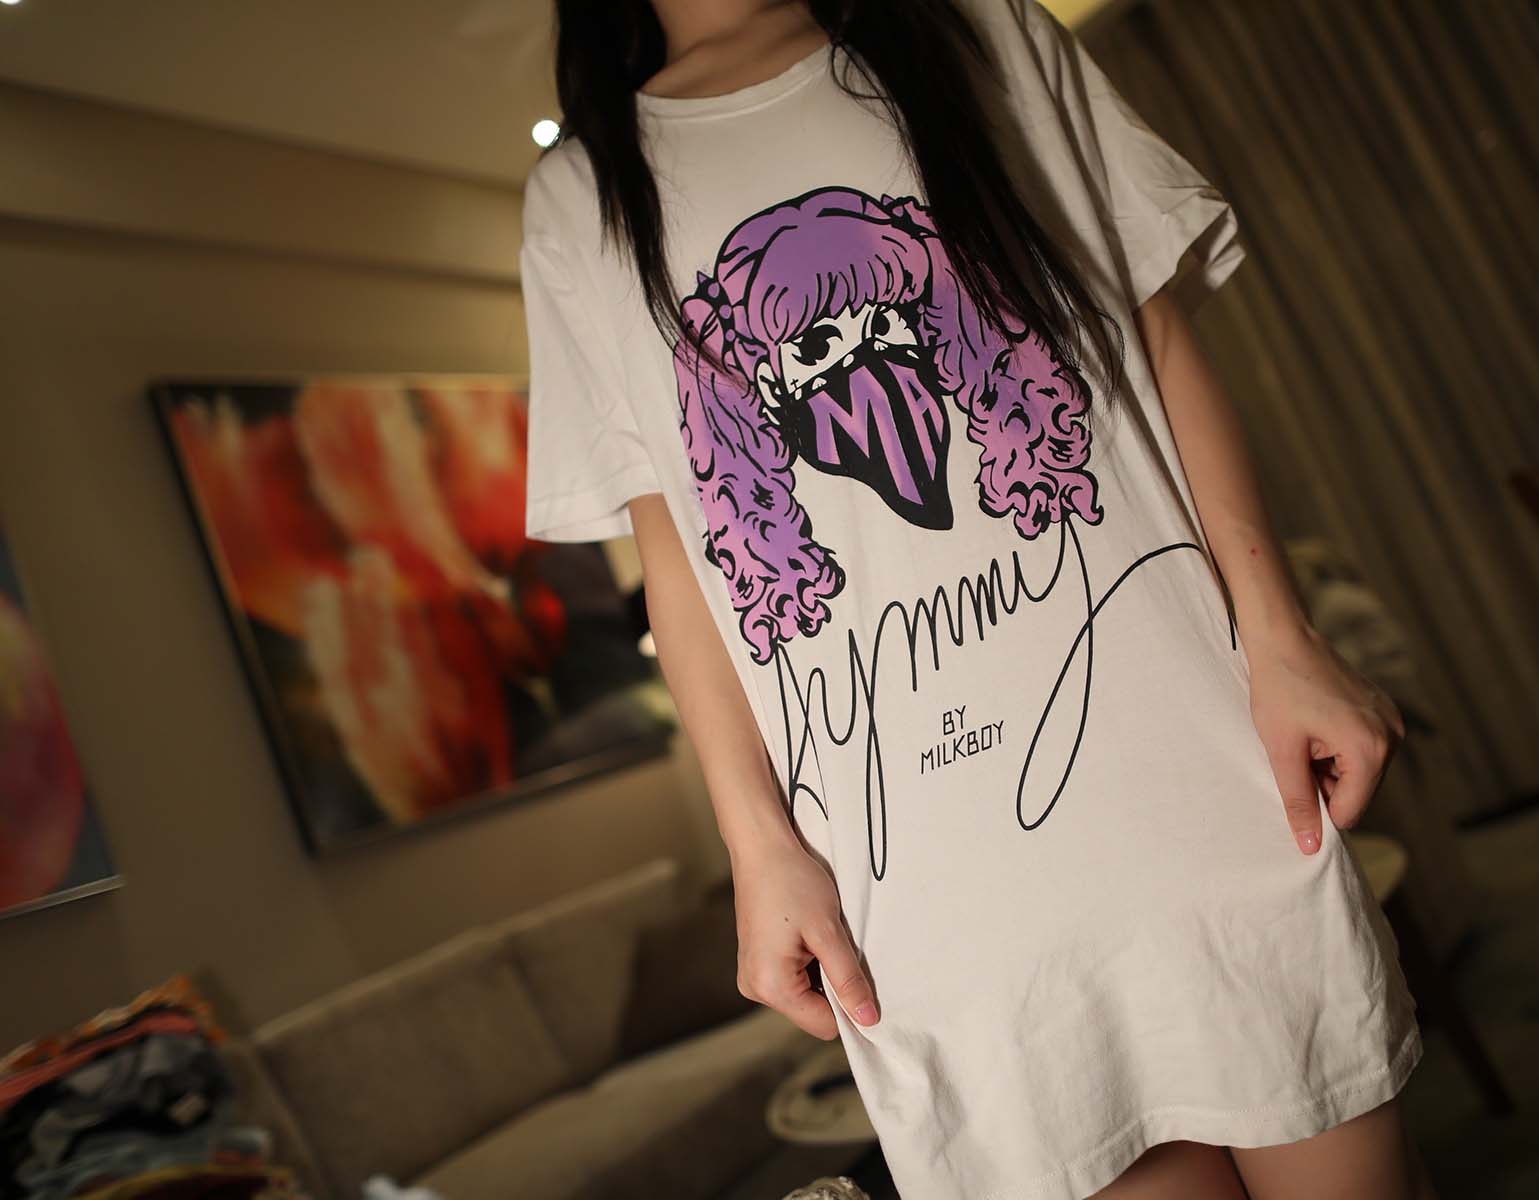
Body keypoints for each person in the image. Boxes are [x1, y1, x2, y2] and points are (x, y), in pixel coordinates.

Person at [519, 1, 1435, 1196]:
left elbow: (1153, 336)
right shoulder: (584, 197)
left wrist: (1282, 635)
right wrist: (758, 849)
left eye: (885, 328)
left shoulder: (975, 35)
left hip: (1192, 780)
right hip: (938, 899)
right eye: (814, 355)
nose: (860, 370)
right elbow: (680, 555)